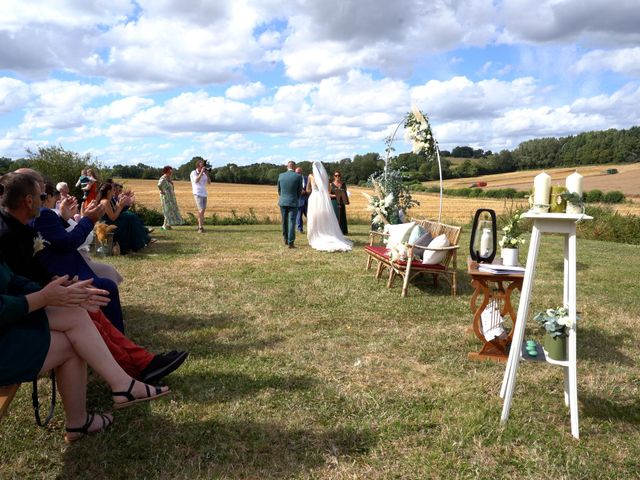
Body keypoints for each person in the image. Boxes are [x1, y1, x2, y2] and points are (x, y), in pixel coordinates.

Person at [0, 172, 188, 384]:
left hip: (37, 293)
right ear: (29, 200)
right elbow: (14, 282)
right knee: (87, 305)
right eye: (42, 196)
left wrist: (53, 280)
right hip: (20, 312)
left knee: (91, 307)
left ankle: (142, 362)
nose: (45, 201)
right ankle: (131, 369)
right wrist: (49, 292)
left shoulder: (18, 227)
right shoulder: (8, 233)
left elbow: (24, 271)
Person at [32, 182, 125, 332]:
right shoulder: (43, 214)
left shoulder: (47, 214)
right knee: (105, 286)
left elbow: (61, 236)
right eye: (42, 194)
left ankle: (114, 335)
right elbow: (69, 242)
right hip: (64, 267)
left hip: (69, 262)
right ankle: (115, 335)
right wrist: (87, 220)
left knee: (107, 275)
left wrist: (66, 217)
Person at [306, 161, 353, 252]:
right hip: (322, 198)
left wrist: (311, 188)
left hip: (314, 198)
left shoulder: (311, 176)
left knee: (314, 216)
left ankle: (314, 235)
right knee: (324, 216)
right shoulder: (325, 178)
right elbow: (328, 190)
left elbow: (308, 189)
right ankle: (325, 232)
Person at [98, 183, 151, 254]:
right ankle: (137, 244)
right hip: (108, 224)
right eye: (113, 190)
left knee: (130, 217)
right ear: (108, 191)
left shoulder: (108, 200)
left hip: (111, 221)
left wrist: (120, 203)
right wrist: (121, 206)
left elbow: (115, 210)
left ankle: (142, 240)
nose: (114, 192)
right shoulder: (105, 201)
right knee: (129, 220)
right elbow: (113, 218)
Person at [277, 161, 303, 248]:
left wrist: (283, 197)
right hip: (293, 201)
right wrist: (296, 198)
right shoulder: (298, 176)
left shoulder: (281, 175)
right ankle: (291, 242)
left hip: (283, 201)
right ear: (294, 167)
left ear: (287, 167)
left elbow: (279, 190)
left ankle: (285, 239)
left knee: (284, 221)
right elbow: (299, 191)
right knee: (292, 222)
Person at [190, 160, 210, 233]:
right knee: (201, 210)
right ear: (198, 166)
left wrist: (207, 174)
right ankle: (200, 228)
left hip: (204, 193)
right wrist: (201, 172)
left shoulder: (204, 174)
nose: (203, 167)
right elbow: (196, 181)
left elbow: (209, 182)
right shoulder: (193, 172)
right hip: (197, 193)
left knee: (202, 211)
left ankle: (200, 226)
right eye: (202, 166)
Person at [328, 170, 350, 235]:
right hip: (334, 201)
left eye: (339, 175)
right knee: (335, 215)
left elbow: (345, 192)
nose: (337, 177)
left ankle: (343, 231)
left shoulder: (343, 184)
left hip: (341, 202)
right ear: (334, 176)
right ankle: (334, 231)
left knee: (342, 215)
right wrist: (336, 195)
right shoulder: (331, 184)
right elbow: (328, 194)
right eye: (336, 175)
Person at [295, 167, 309, 233]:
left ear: (301, 172)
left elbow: (310, 187)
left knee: (309, 216)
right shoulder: (294, 179)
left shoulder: (307, 178)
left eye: (299, 172)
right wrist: (299, 192)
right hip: (299, 200)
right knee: (299, 216)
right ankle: (299, 229)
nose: (298, 174)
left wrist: (307, 191)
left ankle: (311, 229)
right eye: (297, 173)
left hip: (307, 200)